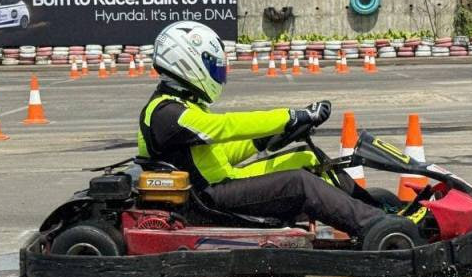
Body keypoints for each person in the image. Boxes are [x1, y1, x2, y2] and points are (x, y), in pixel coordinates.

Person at [138, 21, 409, 243]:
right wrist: (288, 117)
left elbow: (220, 154)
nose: (218, 74)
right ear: (186, 62)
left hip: (221, 184)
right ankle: (377, 227)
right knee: (298, 183)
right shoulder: (165, 112)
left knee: (307, 160)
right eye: (214, 67)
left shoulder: (183, 106)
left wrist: (263, 140)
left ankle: (376, 210)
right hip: (209, 199)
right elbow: (224, 127)